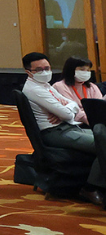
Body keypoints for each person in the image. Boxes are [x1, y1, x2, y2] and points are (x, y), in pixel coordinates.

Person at [22, 52, 105, 205]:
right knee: (103, 143)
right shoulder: (35, 89)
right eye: (39, 70)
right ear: (28, 72)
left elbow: (69, 106)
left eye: (47, 68)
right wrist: (66, 109)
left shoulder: (44, 85)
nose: (45, 72)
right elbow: (66, 113)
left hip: (67, 126)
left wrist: (67, 108)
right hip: (55, 132)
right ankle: (90, 188)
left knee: (103, 137)